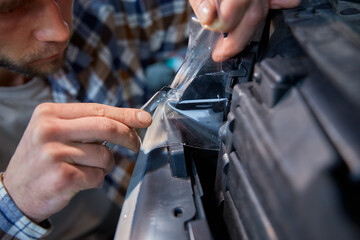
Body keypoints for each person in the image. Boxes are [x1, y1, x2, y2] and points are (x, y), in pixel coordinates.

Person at [0, 0, 300, 239]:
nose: (60, 31)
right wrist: (15, 202)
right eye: (10, 8)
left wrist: (226, 8)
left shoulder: (93, 17)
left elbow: (211, 12)